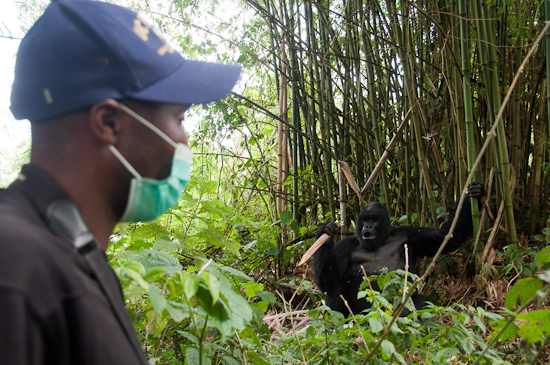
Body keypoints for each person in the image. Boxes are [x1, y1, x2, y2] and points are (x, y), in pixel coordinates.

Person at [0, 0, 241, 364]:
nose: (184, 140)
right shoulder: (16, 269)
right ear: (110, 123)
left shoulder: (71, 251)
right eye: (179, 118)